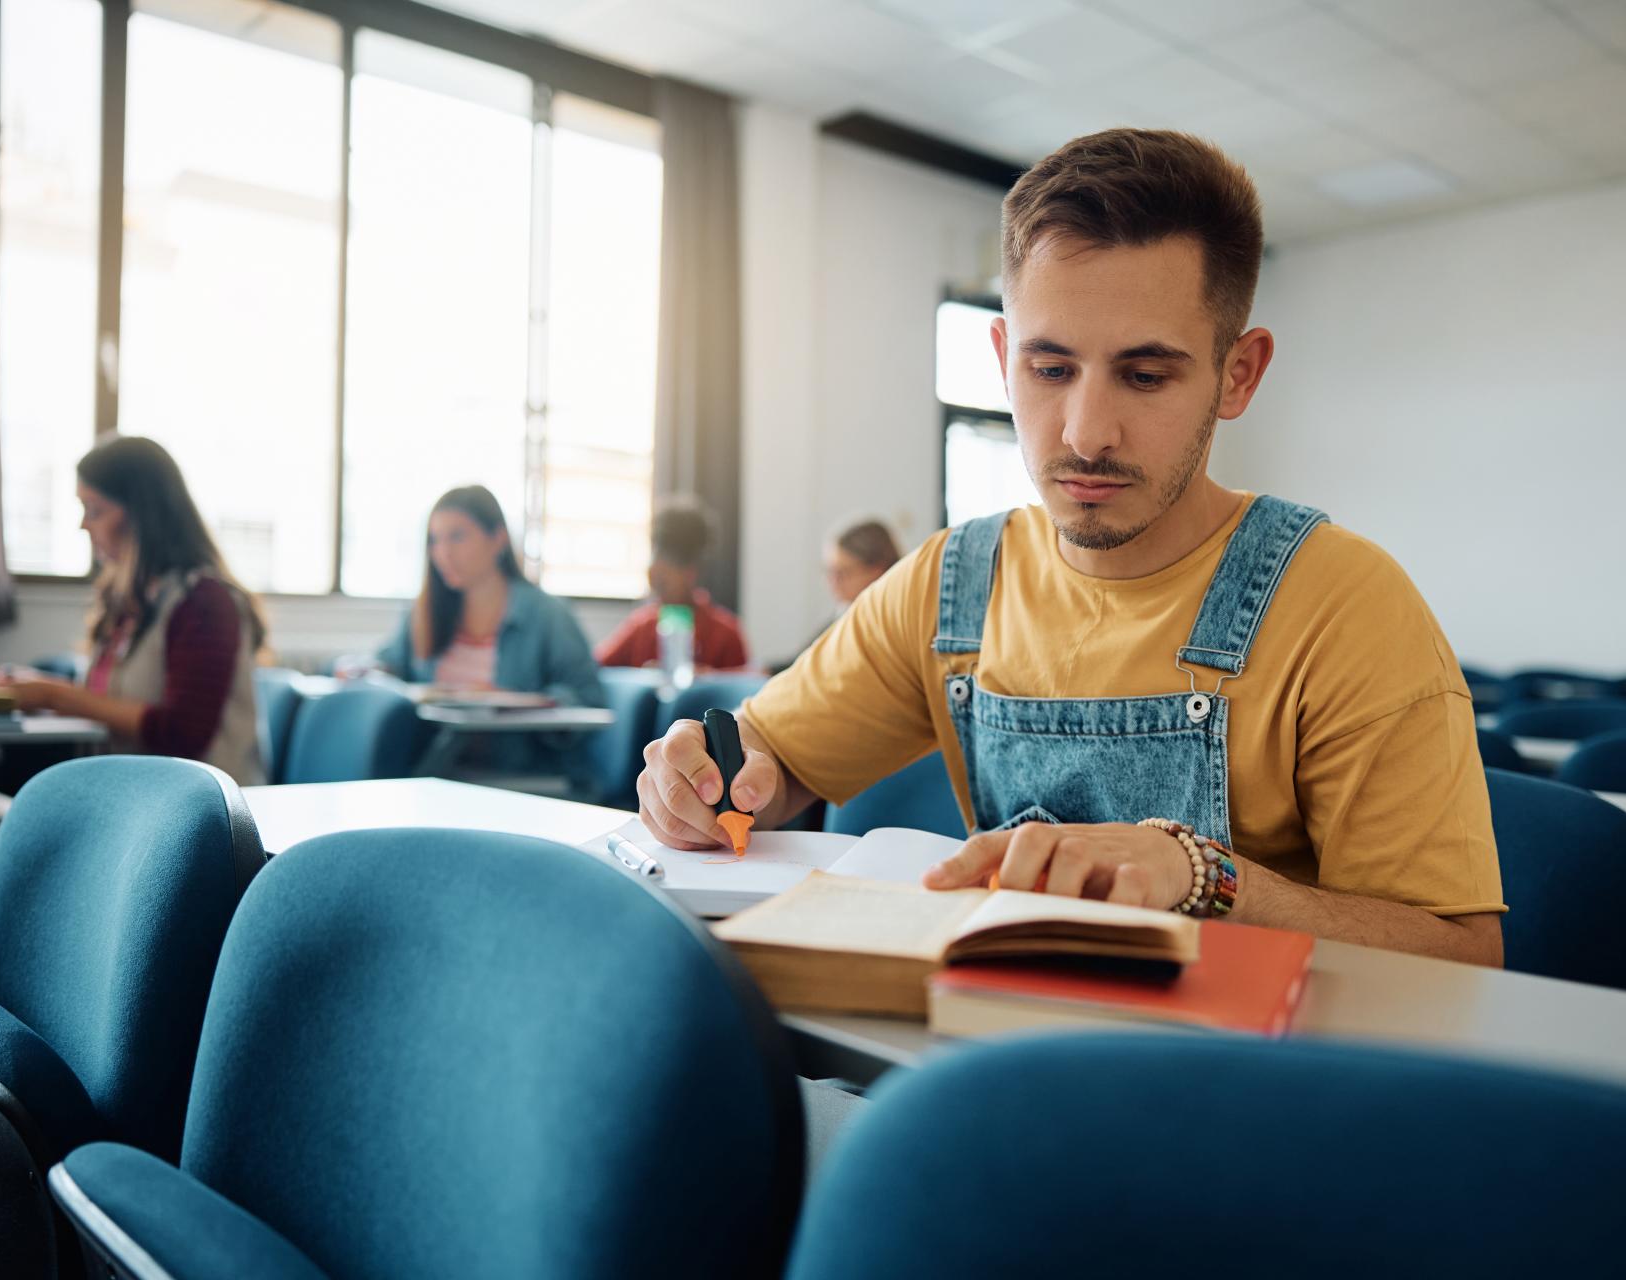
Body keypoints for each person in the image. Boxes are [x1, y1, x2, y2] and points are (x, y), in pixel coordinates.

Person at [637, 129, 1503, 966]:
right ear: (1003, 354)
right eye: (1050, 371)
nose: (1086, 434)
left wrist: (1206, 877)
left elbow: (1462, 956)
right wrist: (710, 781)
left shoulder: (1346, 606)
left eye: (1146, 374)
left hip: (1252, 1085)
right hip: (998, 1048)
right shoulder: (954, 586)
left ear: (1238, 373)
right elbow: (775, 761)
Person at [0, 434, 266, 786]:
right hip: (134, 798)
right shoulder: (132, 602)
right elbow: (112, 705)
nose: (83, 525)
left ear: (143, 516)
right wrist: (33, 688)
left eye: (96, 510)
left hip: (197, 811)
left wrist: (54, 694)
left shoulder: (204, 602)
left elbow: (182, 733)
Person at [374, 485, 602, 707]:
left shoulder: (548, 614)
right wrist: (366, 671)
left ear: (498, 538)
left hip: (511, 744)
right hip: (431, 743)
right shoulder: (425, 610)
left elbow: (587, 695)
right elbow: (388, 664)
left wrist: (513, 701)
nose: (444, 553)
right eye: (434, 540)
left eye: (457, 537)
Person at [595, 496, 749, 671]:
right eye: (656, 580)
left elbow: (747, 686)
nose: (659, 586)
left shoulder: (724, 633)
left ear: (692, 572)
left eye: (666, 579)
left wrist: (708, 677)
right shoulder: (642, 625)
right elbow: (593, 668)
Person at [769, 518, 904, 674]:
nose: (833, 582)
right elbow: (804, 659)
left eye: (843, 573)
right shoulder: (846, 609)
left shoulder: (889, 624)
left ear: (877, 571)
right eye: (829, 571)